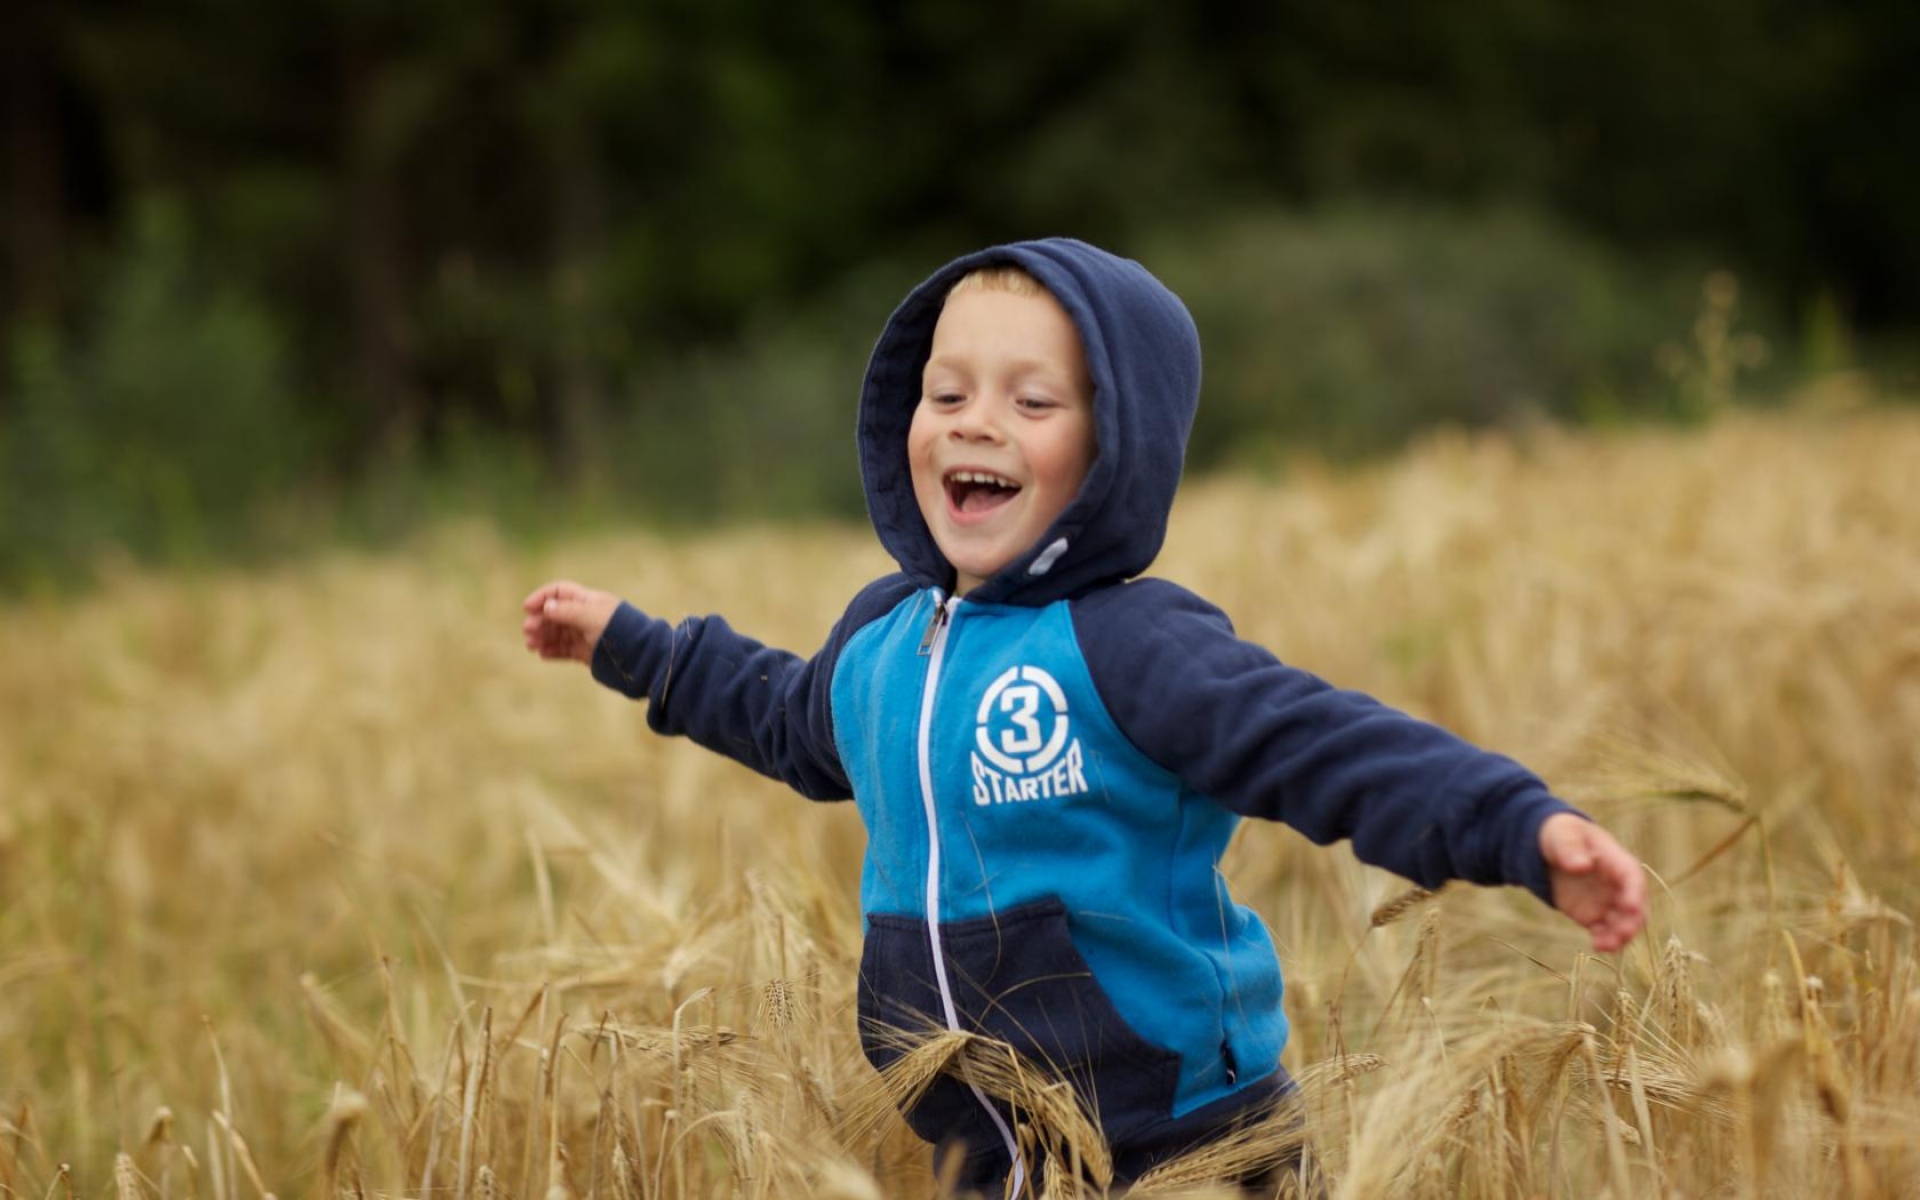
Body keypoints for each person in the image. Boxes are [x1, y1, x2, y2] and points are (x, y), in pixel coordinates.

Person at [521, 239, 1646, 1196]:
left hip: (1184, 1142)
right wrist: (641, 649)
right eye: (946, 392)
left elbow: (1318, 746)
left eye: (1032, 401)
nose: (976, 425)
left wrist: (1517, 824)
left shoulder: (1127, 645)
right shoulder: (881, 642)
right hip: (983, 1143)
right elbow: (781, 717)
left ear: (1114, 449)